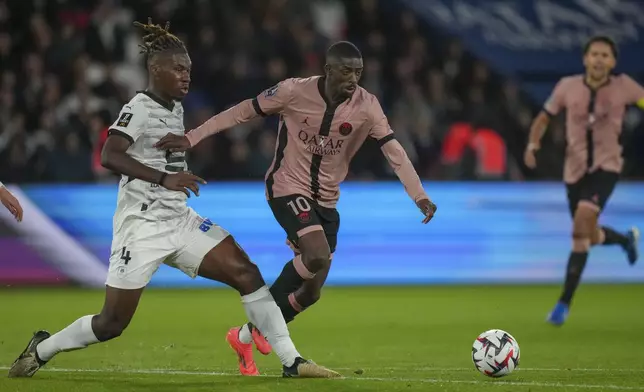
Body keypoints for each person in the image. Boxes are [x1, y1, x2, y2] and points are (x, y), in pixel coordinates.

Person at [8, 19, 339, 380]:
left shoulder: (173, 107)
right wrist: (165, 178)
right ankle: (42, 348)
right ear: (155, 69)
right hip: (141, 226)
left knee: (247, 273)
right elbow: (110, 154)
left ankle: (292, 361)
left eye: (189, 70)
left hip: (180, 220)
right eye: (179, 69)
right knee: (112, 323)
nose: (186, 76)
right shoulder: (139, 106)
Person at [155, 41, 437, 375]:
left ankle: (246, 334)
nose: (354, 79)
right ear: (328, 69)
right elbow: (241, 111)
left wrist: (418, 194)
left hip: (328, 201)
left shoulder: (367, 106)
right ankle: (279, 348)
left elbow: (394, 150)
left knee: (311, 292)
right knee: (316, 254)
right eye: (346, 70)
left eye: (359, 72)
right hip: (286, 187)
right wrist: (192, 137)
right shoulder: (292, 91)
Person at [524, 35, 643, 326]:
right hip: (573, 172)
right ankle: (624, 239)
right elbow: (544, 117)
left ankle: (563, 304)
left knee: (581, 224)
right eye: (594, 54)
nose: (599, 59)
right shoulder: (567, 87)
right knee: (585, 236)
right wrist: (533, 144)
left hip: (607, 168)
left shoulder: (625, 86)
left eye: (605, 55)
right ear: (585, 59)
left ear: (613, 62)